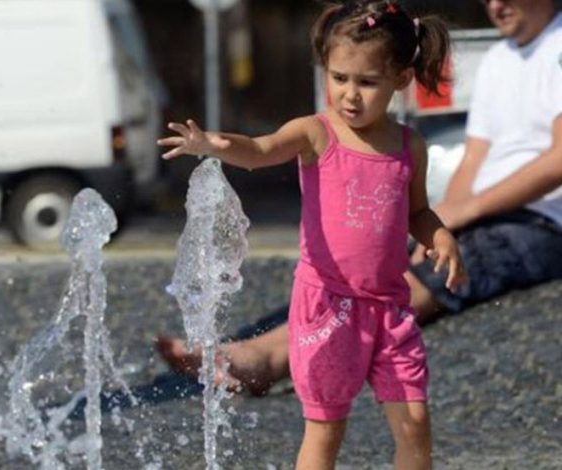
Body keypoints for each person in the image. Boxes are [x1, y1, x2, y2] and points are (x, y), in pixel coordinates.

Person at [157, 0, 562, 411]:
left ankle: (269, 356)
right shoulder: (498, 59)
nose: (496, 4)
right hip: (479, 210)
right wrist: (446, 220)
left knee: (445, 265)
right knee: (356, 268)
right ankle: (276, 344)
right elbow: (474, 158)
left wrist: (463, 215)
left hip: (541, 219)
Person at [158, 2, 466, 468]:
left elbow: (417, 212)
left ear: (401, 78)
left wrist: (439, 236)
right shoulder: (316, 133)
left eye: (367, 82)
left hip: (390, 308)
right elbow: (260, 149)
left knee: (415, 423)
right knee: (326, 429)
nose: (349, 94)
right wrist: (218, 145)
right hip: (327, 306)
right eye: (338, 78)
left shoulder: (409, 146)